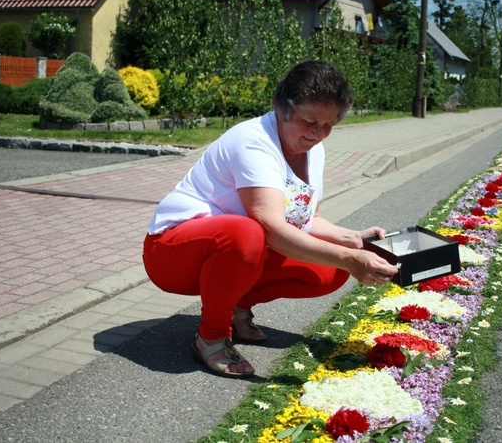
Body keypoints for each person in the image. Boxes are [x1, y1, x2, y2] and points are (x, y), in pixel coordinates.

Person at [142, 60, 398, 378]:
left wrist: (353, 240)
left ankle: (234, 306)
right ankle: (211, 335)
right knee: (249, 233)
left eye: (328, 125)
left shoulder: (312, 147)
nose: (318, 134)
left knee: (330, 272)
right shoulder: (254, 142)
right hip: (172, 252)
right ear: (281, 108)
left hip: (234, 251)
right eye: (309, 122)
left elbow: (306, 217)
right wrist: (350, 257)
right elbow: (273, 229)